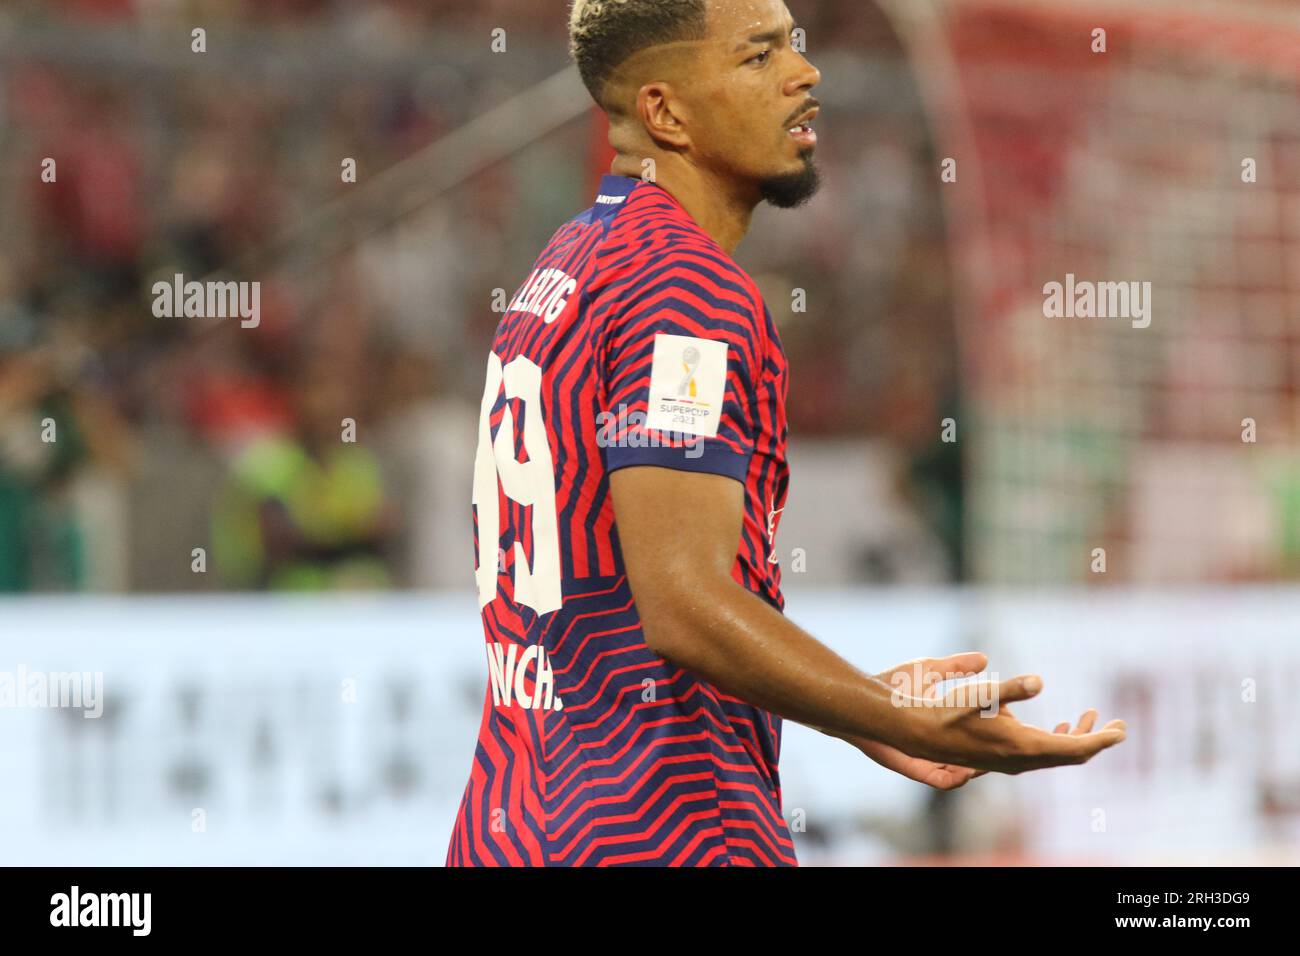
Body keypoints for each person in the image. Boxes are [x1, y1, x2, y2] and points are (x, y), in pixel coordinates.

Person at [446, 0, 1125, 867]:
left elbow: (626, 596)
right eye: (759, 57)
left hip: (514, 818)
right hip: (662, 826)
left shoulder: (570, 261)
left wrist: (854, 704)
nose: (805, 75)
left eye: (795, 47)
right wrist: (895, 715)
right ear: (665, 112)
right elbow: (685, 606)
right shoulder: (683, 295)